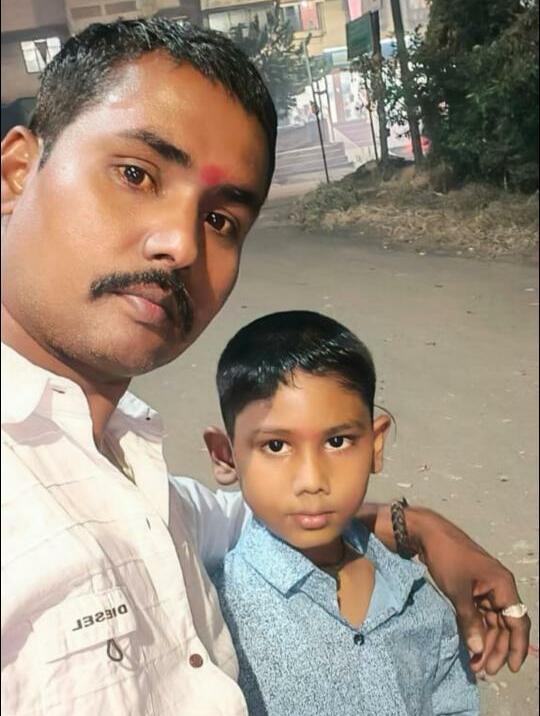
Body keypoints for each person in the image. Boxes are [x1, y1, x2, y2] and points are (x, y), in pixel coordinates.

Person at [0, 17, 529, 716]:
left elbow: (273, 512)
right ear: (17, 173)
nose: (182, 245)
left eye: (221, 220)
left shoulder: (135, 477)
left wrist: (425, 530)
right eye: (136, 174)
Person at [206, 311, 480, 715]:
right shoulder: (215, 619)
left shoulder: (420, 600)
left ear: (375, 445)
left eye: (337, 441)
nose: (312, 480)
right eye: (276, 446)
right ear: (226, 456)